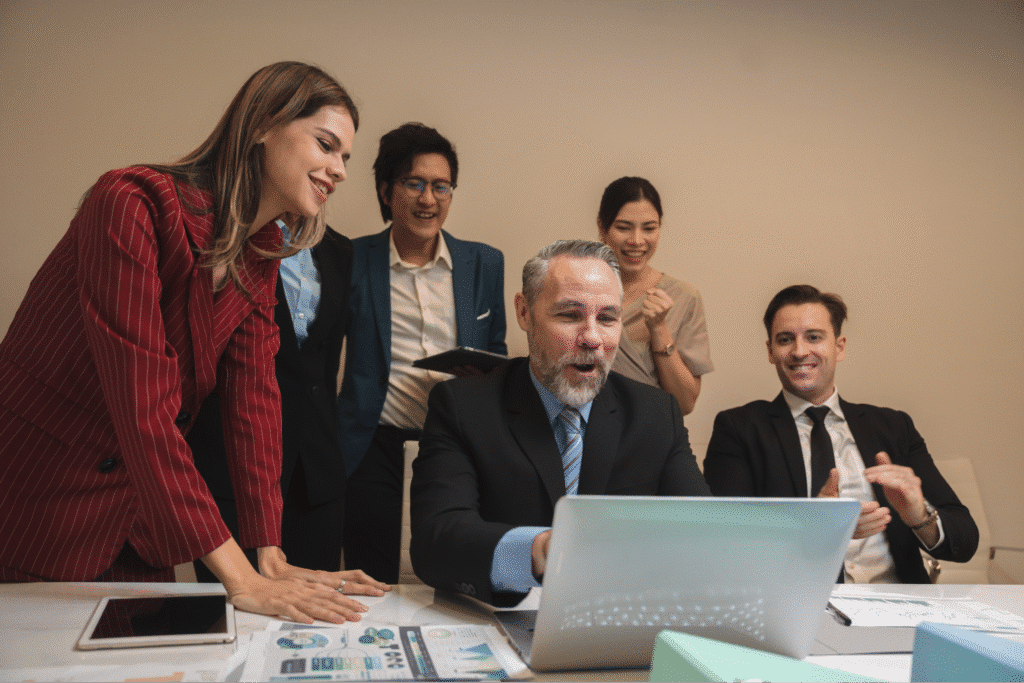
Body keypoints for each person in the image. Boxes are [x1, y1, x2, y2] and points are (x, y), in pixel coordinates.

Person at [0, 61, 388, 622]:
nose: (339, 171)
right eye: (326, 145)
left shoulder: (261, 251)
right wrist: (242, 580)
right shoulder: (130, 203)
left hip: (139, 519)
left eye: (345, 157)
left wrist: (268, 553)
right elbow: (144, 411)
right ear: (262, 124)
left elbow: (254, 404)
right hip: (44, 501)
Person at [410, 240, 710, 606]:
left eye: (607, 318)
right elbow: (436, 541)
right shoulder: (463, 406)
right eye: (569, 316)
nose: (592, 338)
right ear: (524, 312)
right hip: (501, 623)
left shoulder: (656, 414)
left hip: (616, 627)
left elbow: (702, 531)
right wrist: (540, 551)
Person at [703, 284, 979, 583]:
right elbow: (724, 540)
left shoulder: (893, 426)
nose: (799, 351)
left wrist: (919, 516)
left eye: (814, 337)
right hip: (802, 605)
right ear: (770, 351)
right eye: (785, 340)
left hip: (899, 605)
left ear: (839, 346)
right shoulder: (740, 428)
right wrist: (817, 527)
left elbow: (964, 543)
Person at [338, 123, 507, 584]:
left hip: (454, 441)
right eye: (414, 183)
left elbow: (496, 348)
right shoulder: (350, 259)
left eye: (441, 186)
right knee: (371, 577)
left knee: (449, 573)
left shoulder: (484, 263)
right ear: (385, 190)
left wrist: (483, 373)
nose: (428, 199)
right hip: (374, 443)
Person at [188, 220, 353, 581]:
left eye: (343, 158)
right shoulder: (229, 236)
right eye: (327, 156)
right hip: (233, 461)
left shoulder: (339, 249)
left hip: (316, 468)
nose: (336, 170)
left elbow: (325, 368)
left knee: (314, 619)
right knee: (234, 612)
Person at [596, 177, 713, 415]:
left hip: (650, 438)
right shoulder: (579, 288)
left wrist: (659, 328)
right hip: (581, 436)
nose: (637, 241)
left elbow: (684, 403)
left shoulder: (684, 298)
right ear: (602, 228)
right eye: (623, 227)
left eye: (649, 228)